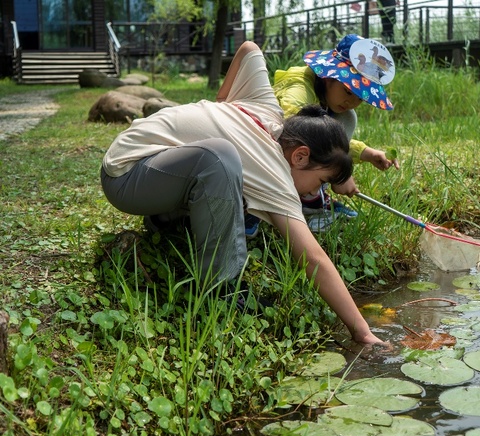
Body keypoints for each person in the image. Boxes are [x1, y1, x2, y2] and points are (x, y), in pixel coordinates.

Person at [100, 40, 383, 345]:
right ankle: (221, 287)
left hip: (149, 160)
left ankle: (167, 220)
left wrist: (222, 103)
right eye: (320, 182)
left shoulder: (266, 105)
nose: (315, 191)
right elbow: (313, 258)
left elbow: (249, 49)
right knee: (220, 156)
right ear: (300, 156)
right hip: (126, 176)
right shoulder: (275, 172)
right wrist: (362, 332)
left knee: (222, 163)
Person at [225, 34, 397, 235]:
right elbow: (289, 134)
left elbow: (323, 138)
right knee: (319, 132)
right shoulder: (299, 91)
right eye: (348, 91)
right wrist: (339, 173)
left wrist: (365, 153)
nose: (351, 101)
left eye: (360, 98)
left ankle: (309, 197)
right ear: (328, 76)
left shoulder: (330, 99)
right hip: (256, 150)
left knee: (347, 118)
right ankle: (256, 204)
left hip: (284, 152)